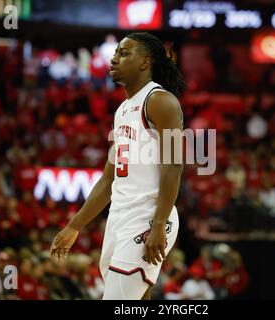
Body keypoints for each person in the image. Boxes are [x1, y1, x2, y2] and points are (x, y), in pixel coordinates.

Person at [50, 32, 185, 300]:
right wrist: (74, 226)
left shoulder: (160, 101)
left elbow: (174, 165)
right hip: (119, 218)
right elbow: (108, 180)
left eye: (124, 53)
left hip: (147, 216)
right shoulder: (123, 109)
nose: (114, 59)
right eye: (116, 53)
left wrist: (158, 224)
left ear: (145, 63)